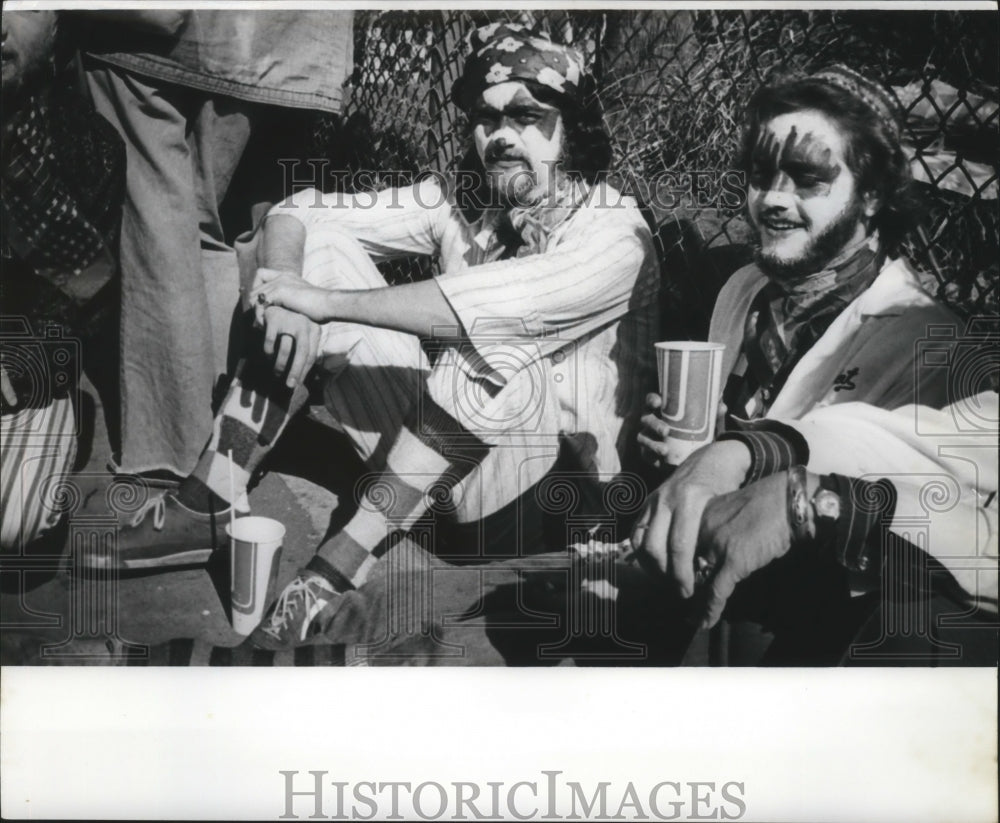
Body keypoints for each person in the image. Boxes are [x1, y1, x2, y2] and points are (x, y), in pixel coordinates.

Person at [80, 23, 660, 650]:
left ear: (571, 127)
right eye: (485, 119)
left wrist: (322, 303)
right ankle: (212, 496)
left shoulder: (615, 233)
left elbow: (488, 309)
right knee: (321, 249)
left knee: (497, 340)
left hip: (541, 509)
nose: (500, 137)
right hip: (434, 480)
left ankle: (330, 571)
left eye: (526, 116)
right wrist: (288, 288)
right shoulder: (469, 199)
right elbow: (300, 211)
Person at [631, 65, 997, 659]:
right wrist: (687, 447)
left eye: (807, 179)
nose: (772, 198)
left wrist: (736, 464)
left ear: (873, 194)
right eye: (759, 175)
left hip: (810, 630)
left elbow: (899, 517)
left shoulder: (924, 339)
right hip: (703, 578)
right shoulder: (743, 289)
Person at [79, 9, 355, 479]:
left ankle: (175, 452)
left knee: (159, 222)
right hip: (298, 43)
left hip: (168, 39)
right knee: (234, 228)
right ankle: (231, 442)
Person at [1, 9, 125, 550]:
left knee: (11, 521)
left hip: (19, 366)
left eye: (24, 5)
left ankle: (59, 419)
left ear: (57, 37)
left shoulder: (87, 145)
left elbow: (84, 302)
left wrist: (23, 365)